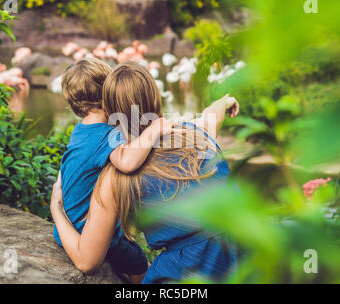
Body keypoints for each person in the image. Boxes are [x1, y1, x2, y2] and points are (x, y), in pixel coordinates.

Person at [51, 62, 239, 283]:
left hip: (189, 268)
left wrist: (56, 208)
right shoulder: (195, 134)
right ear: (155, 97)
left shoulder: (116, 176)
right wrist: (224, 101)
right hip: (246, 248)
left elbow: (86, 261)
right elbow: (212, 116)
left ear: (110, 111)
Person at [54, 59, 175, 283]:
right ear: (110, 94)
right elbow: (127, 162)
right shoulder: (106, 133)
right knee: (141, 265)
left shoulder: (81, 130)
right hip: (88, 232)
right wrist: (154, 130)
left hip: (69, 225)